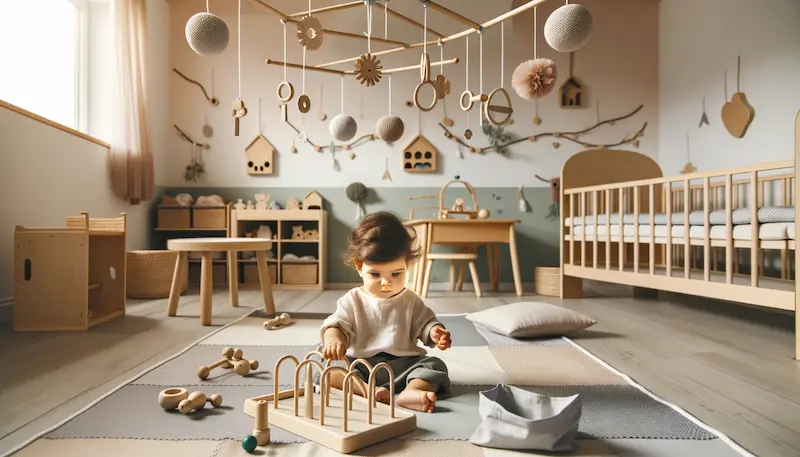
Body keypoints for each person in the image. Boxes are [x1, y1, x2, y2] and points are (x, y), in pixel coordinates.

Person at [319, 211, 452, 413]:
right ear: (359, 266)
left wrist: (435, 333)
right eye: (375, 274)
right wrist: (334, 342)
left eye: (396, 274)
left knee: (435, 365)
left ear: (408, 265)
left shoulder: (410, 300)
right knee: (322, 366)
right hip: (359, 367)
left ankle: (413, 391)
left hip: (403, 367)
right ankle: (368, 391)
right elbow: (336, 325)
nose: (386, 283)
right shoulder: (352, 299)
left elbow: (425, 324)